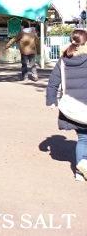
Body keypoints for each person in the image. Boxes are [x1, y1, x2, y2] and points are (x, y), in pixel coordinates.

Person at [45, 29, 87, 181]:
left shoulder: (63, 60)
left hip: (73, 107)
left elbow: (53, 82)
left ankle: (80, 171)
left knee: (83, 138)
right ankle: (84, 165)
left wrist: (51, 100)